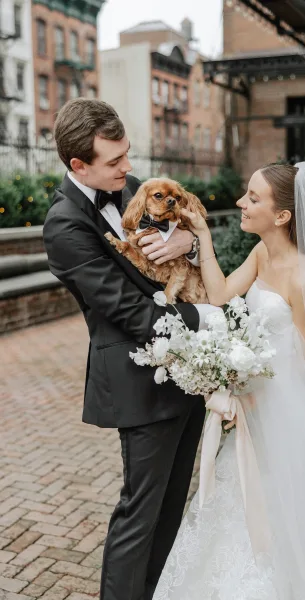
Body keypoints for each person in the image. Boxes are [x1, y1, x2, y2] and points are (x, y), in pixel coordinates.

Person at [154, 162, 305, 599]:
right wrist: (204, 239)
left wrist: (245, 375)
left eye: (252, 197)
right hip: (252, 404)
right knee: (240, 502)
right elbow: (221, 296)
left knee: (288, 513)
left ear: (283, 215)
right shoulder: (262, 254)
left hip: (287, 413)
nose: (241, 203)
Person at [43, 98, 221, 600]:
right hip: (138, 377)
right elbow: (129, 312)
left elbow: (189, 233)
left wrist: (186, 242)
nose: (128, 167)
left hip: (187, 370)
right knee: (139, 512)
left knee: (171, 505)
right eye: (115, 160)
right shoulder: (65, 226)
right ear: (79, 165)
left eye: (127, 155)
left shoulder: (131, 189)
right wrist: (208, 320)